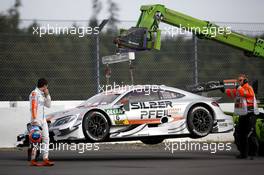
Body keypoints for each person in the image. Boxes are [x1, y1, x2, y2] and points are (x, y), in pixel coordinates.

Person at [224, 74, 259, 159]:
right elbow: (230, 93)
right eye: (238, 80)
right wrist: (224, 89)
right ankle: (243, 154)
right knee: (241, 135)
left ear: (245, 80)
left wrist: (239, 87)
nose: (238, 82)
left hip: (250, 115)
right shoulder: (239, 89)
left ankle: (253, 153)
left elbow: (247, 94)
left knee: (251, 134)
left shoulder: (248, 88)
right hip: (243, 115)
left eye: (240, 80)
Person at [29, 78, 54, 166]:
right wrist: (35, 120)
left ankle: (45, 158)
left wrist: (48, 95)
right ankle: (33, 159)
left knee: (46, 138)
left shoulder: (43, 94)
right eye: (46, 86)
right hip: (36, 120)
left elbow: (48, 105)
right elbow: (33, 107)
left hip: (43, 120)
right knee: (36, 139)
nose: (47, 88)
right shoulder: (34, 93)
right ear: (44, 86)